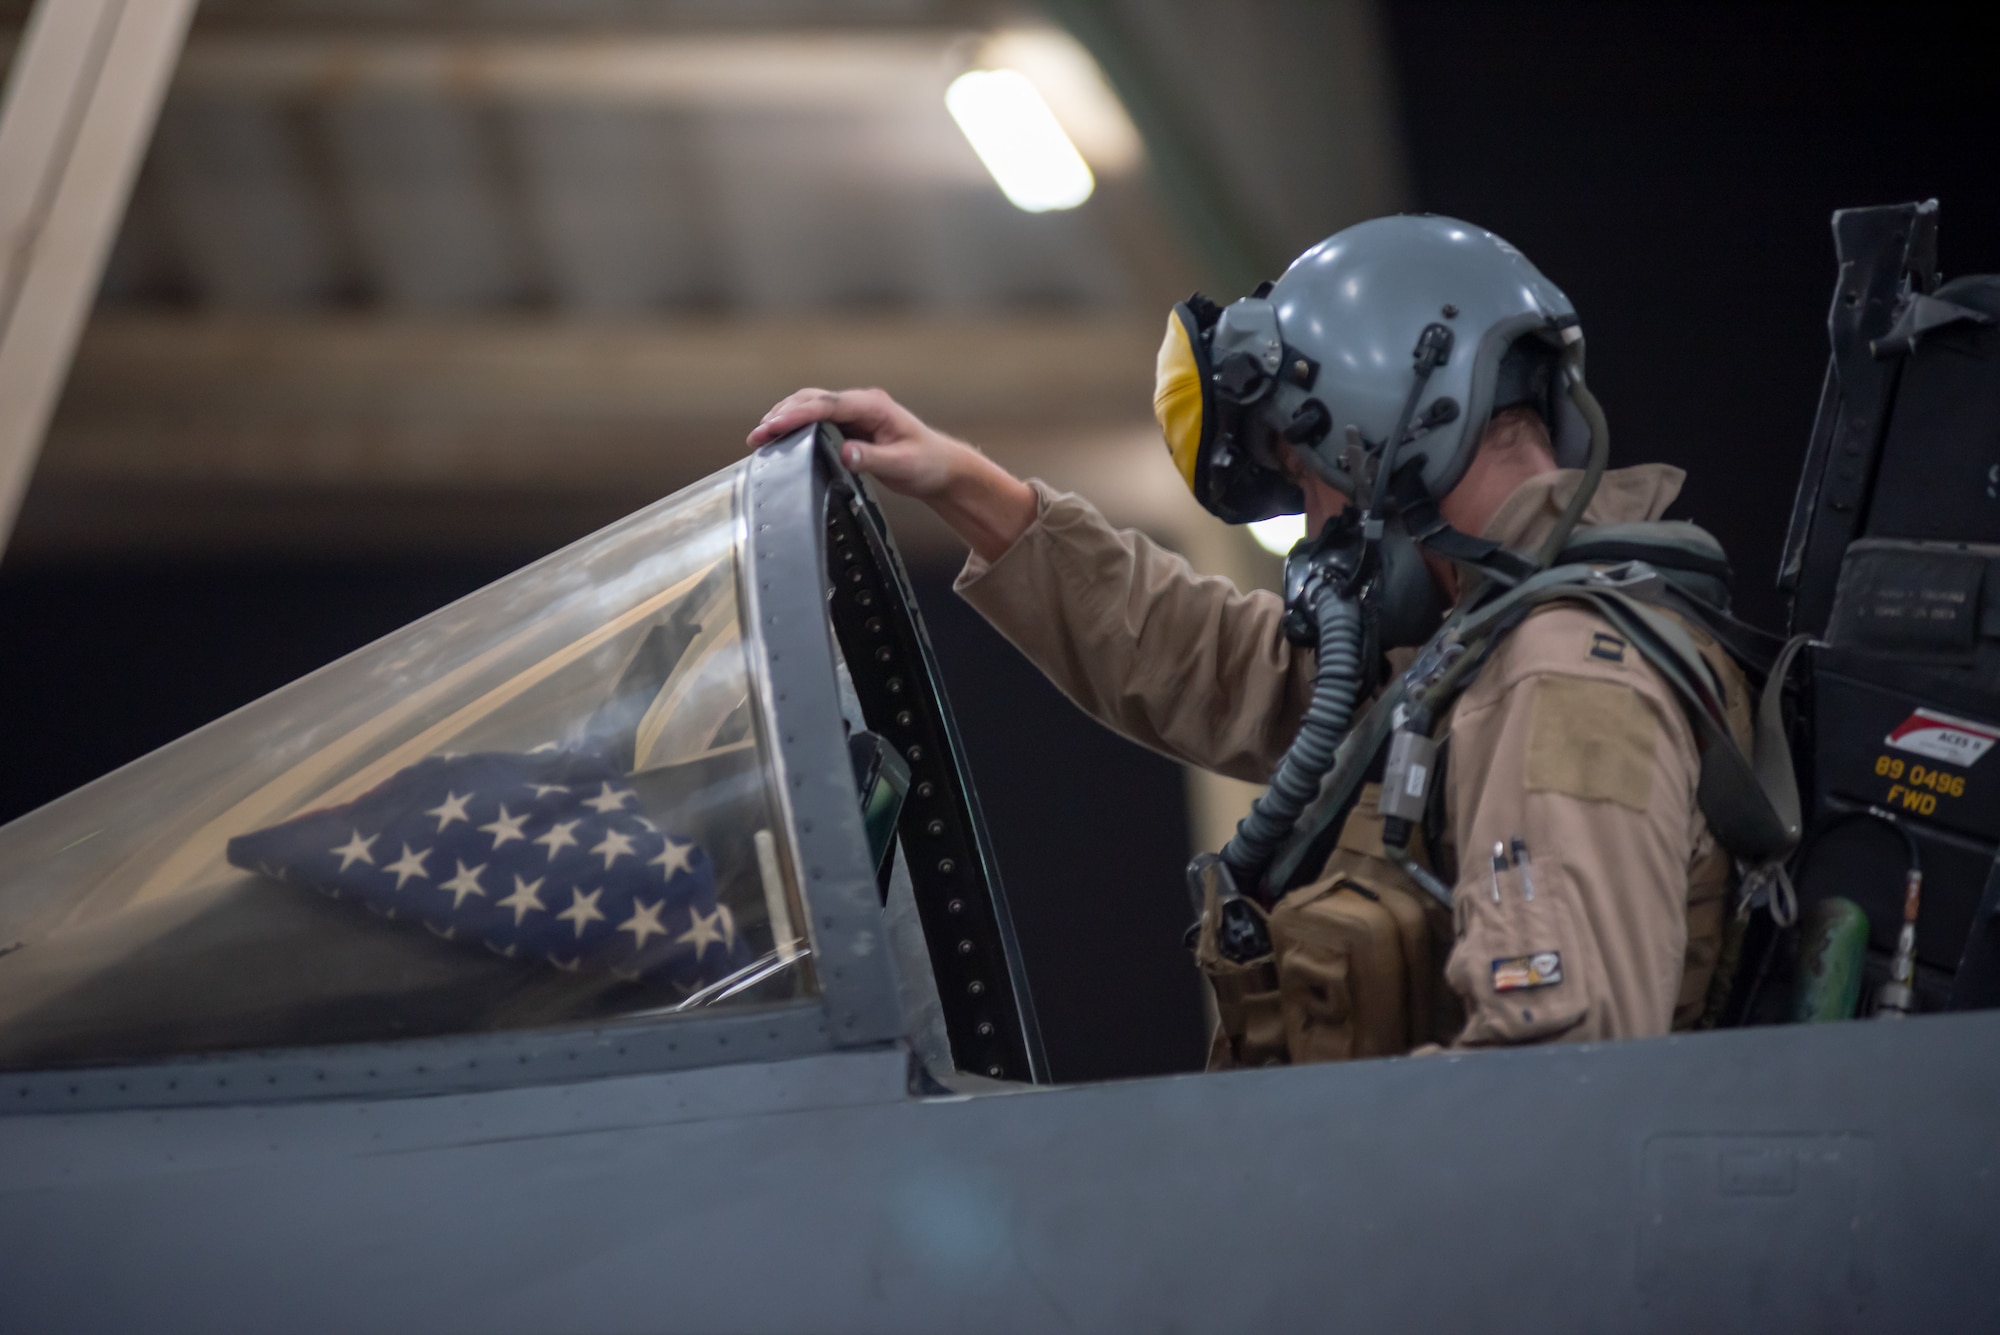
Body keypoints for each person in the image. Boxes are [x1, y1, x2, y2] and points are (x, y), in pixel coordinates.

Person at [747, 215, 1756, 1056]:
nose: (1315, 524)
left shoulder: (1556, 677)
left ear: (1384, 431)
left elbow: (1561, 1094)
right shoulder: (1474, 658)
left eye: (1309, 478)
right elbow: (1218, 665)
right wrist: (967, 488)